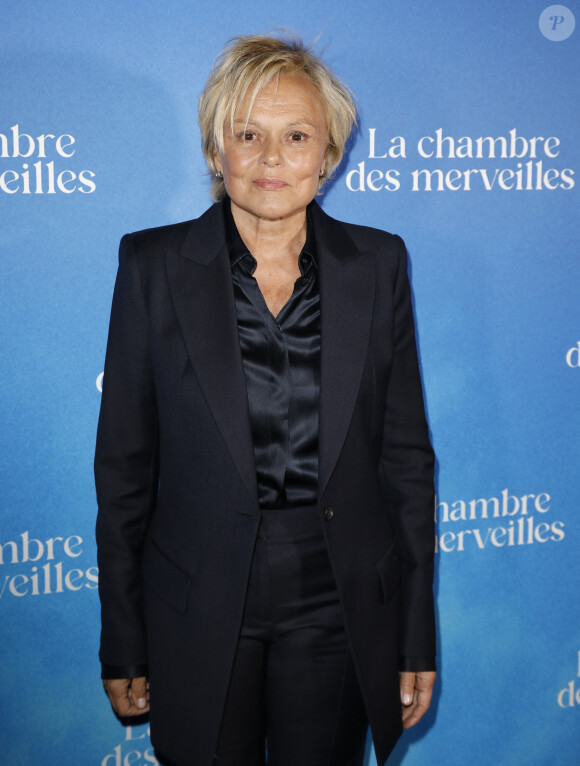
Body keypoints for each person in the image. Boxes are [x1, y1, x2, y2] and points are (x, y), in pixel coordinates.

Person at [95, 32, 436, 766]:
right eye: (248, 134)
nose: (271, 158)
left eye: (296, 136)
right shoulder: (152, 265)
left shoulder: (377, 265)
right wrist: (122, 638)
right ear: (217, 153)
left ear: (329, 155)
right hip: (198, 596)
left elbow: (406, 462)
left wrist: (413, 635)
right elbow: (123, 471)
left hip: (337, 598)